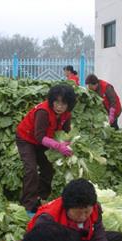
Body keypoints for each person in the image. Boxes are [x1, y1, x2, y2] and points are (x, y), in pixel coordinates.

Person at [16, 84, 76, 213]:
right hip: (26, 139)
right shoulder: (43, 112)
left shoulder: (67, 115)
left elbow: (66, 133)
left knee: (48, 169)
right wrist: (58, 146)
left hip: (46, 141)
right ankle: (28, 203)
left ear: (69, 104)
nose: (59, 107)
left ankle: (41, 197)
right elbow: (39, 137)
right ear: (52, 100)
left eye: (64, 104)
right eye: (57, 102)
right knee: (31, 169)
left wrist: (68, 143)